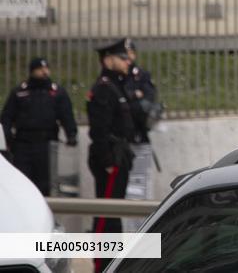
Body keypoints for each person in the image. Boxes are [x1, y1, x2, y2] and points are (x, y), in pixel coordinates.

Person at [88, 40, 135, 273]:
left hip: (119, 157)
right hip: (111, 160)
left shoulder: (117, 85)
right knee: (107, 216)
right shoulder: (105, 88)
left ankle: (112, 264)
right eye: (122, 57)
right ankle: (102, 266)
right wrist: (107, 161)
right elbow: (99, 129)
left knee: (114, 214)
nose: (128, 60)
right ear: (108, 60)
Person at [1, 58, 77, 195]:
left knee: (46, 182)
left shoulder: (56, 92)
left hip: (46, 144)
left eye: (46, 68)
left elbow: (66, 114)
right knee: (22, 180)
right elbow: (7, 117)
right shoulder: (19, 92)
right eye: (40, 69)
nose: (44, 72)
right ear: (32, 71)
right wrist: (7, 139)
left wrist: (71, 134)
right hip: (23, 145)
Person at [121, 38, 161, 229]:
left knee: (142, 190)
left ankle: (141, 232)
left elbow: (149, 100)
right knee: (125, 193)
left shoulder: (141, 75)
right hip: (122, 142)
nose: (127, 57)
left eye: (129, 53)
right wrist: (134, 97)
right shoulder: (117, 77)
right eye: (124, 53)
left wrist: (133, 98)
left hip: (140, 140)